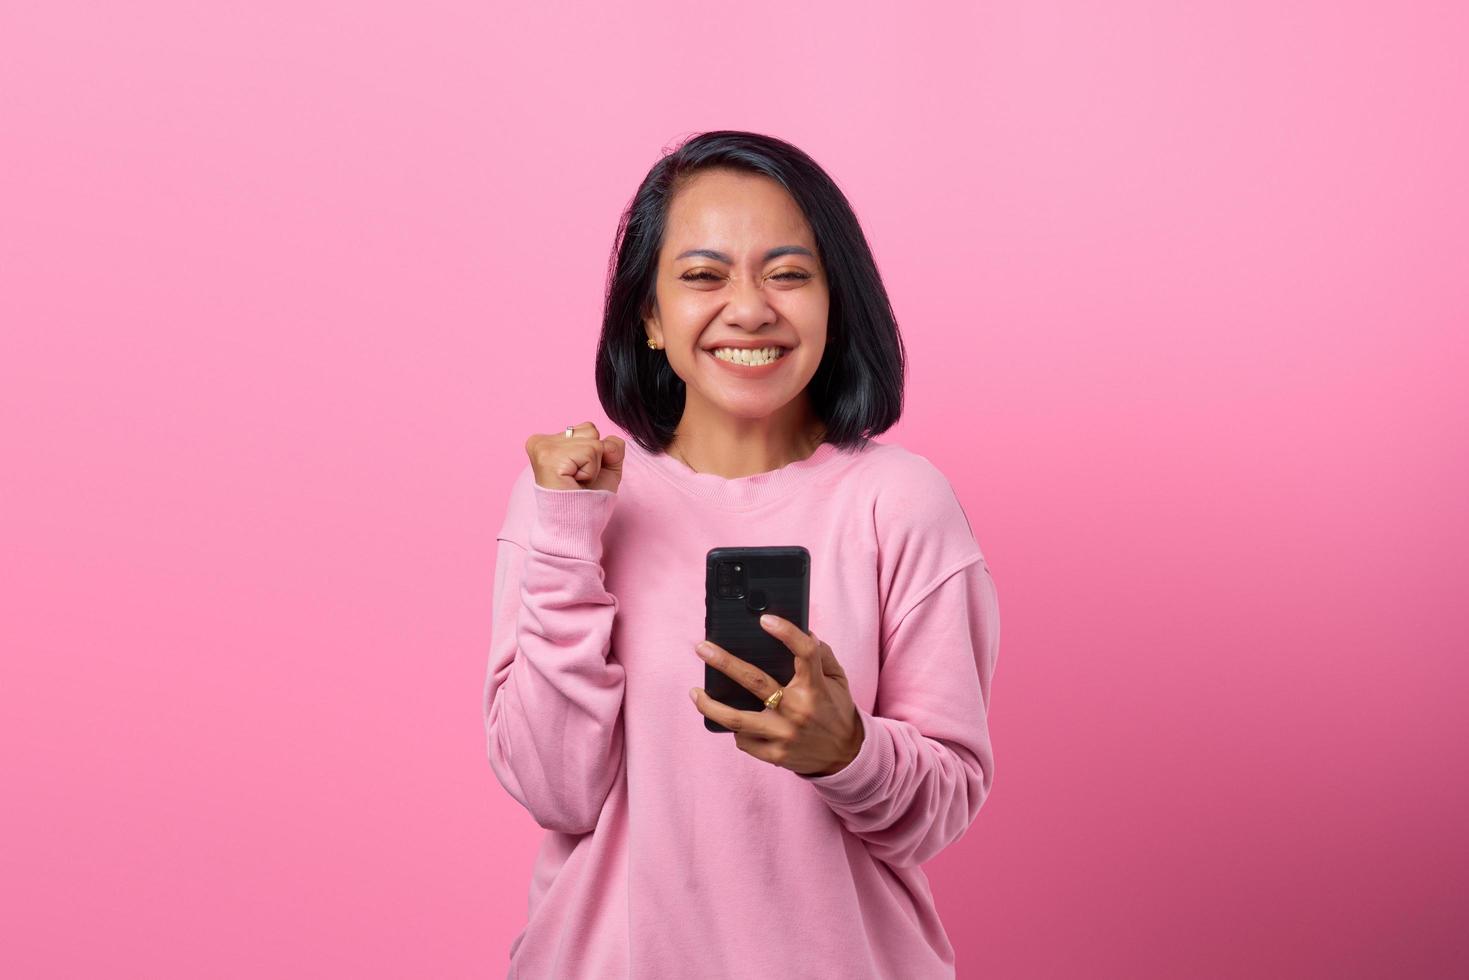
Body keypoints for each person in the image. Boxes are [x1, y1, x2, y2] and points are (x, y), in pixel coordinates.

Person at [483, 130, 1001, 979]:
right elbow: (554, 790)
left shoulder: (900, 503)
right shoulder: (572, 500)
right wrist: (567, 537)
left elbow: (939, 807)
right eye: (702, 275)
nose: (750, 308)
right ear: (648, 317)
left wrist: (847, 752)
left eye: (789, 273)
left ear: (837, 303)